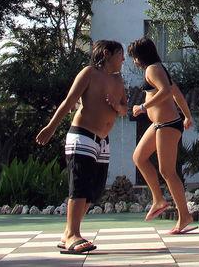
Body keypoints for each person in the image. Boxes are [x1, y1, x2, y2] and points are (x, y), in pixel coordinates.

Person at [36, 40, 127, 255]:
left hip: (103, 140)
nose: (123, 59)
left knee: (94, 190)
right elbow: (69, 101)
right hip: (82, 136)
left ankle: (68, 232)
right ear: (107, 53)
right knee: (80, 186)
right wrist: (50, 127)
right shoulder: (89, 73)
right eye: (120, 54)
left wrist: (117, 106)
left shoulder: (119, 80)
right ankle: (73, 234)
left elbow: (124, 109)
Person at [128, 37, 195, 235]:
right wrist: (188, 115)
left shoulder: (152, 69)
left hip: (167, 125)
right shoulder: (158, 68)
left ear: (141, 56)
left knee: (167, 171)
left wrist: (142, 107)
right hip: (160, 124)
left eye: (134, 57)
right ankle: (158, 199)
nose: (134, 61)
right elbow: (176, 91)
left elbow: (166, 91)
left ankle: (184, 216)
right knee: (138, 157)